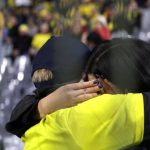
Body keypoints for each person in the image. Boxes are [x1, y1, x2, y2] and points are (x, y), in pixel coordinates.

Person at [7, 38, 150, 149]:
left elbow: (16, 121)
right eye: (96, 80)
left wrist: (42, 106)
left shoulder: (41, 122)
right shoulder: (91, 114)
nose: (99, 90)